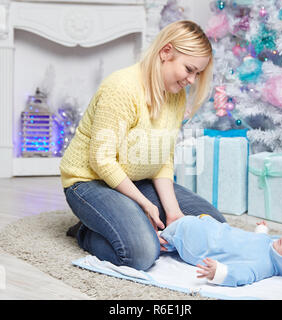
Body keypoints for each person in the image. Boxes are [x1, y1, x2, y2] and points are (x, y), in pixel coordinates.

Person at [61, 20, 226, 271]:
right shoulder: (122, 87)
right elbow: (101, 160)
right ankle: (87, 232)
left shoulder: (176, 95)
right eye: (189, 69)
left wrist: (173, 213)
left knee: (213, 224)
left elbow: (163, 157)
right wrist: (144, 205)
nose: (192, 80)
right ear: (166, 52)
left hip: (135, 179)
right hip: (89, 182)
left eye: (198, 74)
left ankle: (123, 220)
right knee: (141, 253)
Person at [160, 215, 282, 291]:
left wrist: (220, 273)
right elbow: (255, 240)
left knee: (188, 228)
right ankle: (178, 228)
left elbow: (242, 275)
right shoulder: (269, 243)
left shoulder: (264, 265)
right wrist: (262, 229)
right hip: (218, 231)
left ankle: (166, 239)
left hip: (205, 245)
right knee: (208, 224)